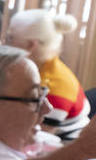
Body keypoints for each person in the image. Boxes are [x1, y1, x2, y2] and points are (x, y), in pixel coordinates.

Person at [5, 9, 89, 140]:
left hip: (65, 147)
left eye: (10, 38)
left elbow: (35, 138)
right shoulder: (33, 71)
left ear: (30, 45)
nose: (4, 43)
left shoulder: (54, 85)